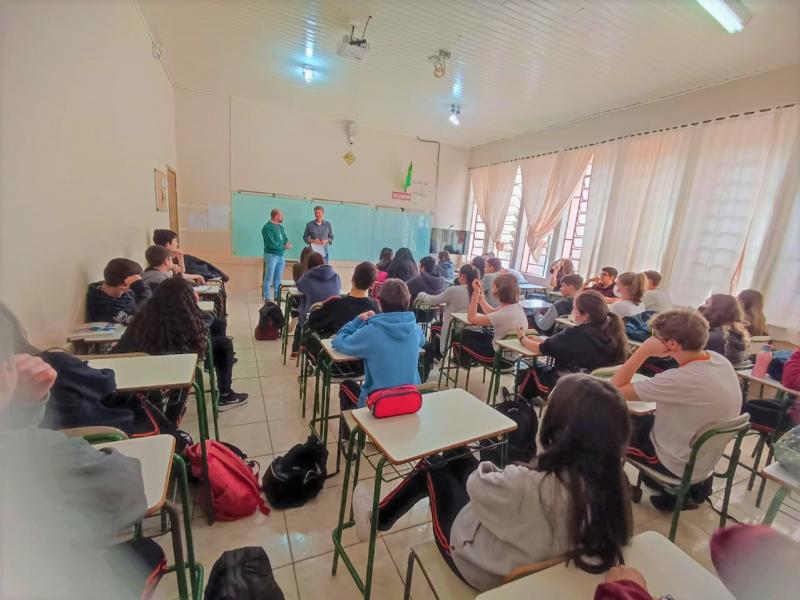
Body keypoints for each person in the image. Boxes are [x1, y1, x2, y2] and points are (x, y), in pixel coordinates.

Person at [351, 374, 632, 591]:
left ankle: (375, 519)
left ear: (555, 430)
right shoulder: (613, 488)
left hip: (481, 566)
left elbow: (477, 485)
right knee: (454, 455)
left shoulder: (530, 484)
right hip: (536, 565)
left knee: (433, 465)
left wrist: (496, 466)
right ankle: (379, 517)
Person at [0, 350, 149, 599]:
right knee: (143, 553)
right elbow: (126, 490)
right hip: (67, 583)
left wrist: (21, 410)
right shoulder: (37, 452)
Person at [611, 309, 741, 510]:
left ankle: (611, 489)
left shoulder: (681, 379)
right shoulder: (718, 360)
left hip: (674, 463)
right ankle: (678, 493)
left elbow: (614, 389)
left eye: (655, 336)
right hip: (702, 459)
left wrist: (643, 351)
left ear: (671, 344)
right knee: (638, 419)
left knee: (604, 427)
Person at [114, 277, 248, 411]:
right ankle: (225, 395)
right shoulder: (184, 319)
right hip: (170, 373)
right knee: (223, 344)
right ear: (186, 298)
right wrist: (194, 304)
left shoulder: (145, 313)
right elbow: (207, 320)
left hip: (129, 373)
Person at [515, 290, 627, 400]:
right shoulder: (612, 333)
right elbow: (557, 344)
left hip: (568, 385)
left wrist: (522, 338)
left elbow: (540, 349)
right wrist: (541, 340)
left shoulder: (575, 334)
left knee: (531, 373)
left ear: (586, 315)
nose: (572, 313)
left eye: (574, 309)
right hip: (597, 390)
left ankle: (520, 406)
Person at [333, 279, 426, 410]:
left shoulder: (371, 331)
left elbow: (339, 341)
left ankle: (354, 423)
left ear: (379, 303)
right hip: (411, 400)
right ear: (408, 300)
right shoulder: (415, 328)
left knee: (346, 386)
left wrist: (358, 320)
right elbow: (422, 341)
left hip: (379, 403)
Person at [461, 274, 528, 363]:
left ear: (498, 290)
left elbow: (471, 318)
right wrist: (481, 299)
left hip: (497, 356)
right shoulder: (516, 306)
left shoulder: (502, 314)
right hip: (512, 354)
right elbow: (492, 312)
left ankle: (464, 362)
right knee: (472, 334)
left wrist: (475, 297)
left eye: (493, 286)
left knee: (461, 335)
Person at [417, 264, 480, 357]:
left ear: (462, 276)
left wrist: (422, 295)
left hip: (456, 330)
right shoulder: (478, 292)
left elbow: (434, 300)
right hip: (473, 330)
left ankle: (437, 356)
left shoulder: (454, 290)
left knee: (435, 326)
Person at [306, 261, 379, 339]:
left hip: (335, 345)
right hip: (364, 346)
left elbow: (312, 322)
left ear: (352, 279)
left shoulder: (335, 304)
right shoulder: (375, 307)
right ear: (372, 285)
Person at [293, 252, 341, 357]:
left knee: (301, 315)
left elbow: (299, 285)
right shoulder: (336, 276)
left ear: (309, 264)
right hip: (332, 318)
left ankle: (296, 349)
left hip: (313, 317)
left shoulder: (307, 277)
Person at [86, 258, 152, 324]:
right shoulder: (107, 309)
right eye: (136, 281)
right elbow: (143, 322)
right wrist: (142, 290)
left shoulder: (124, 292)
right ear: (123, 285)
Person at [701, 294, 750, 366]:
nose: (702, 306)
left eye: (707, 303)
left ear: (716, 310)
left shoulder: (713, 338)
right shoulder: (738, 336)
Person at [262, 208, 292, 301]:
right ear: (276, 216)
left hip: (281, 256)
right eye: (281, 215)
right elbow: (271, 244)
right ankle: (267, 297)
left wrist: (287, 243)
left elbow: (285, 239)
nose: (282, 217)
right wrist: (284, 246)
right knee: (269, 277)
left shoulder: (280, 227)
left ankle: (277, 296)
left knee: (278, 277)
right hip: (271, 255)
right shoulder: (267, 228)